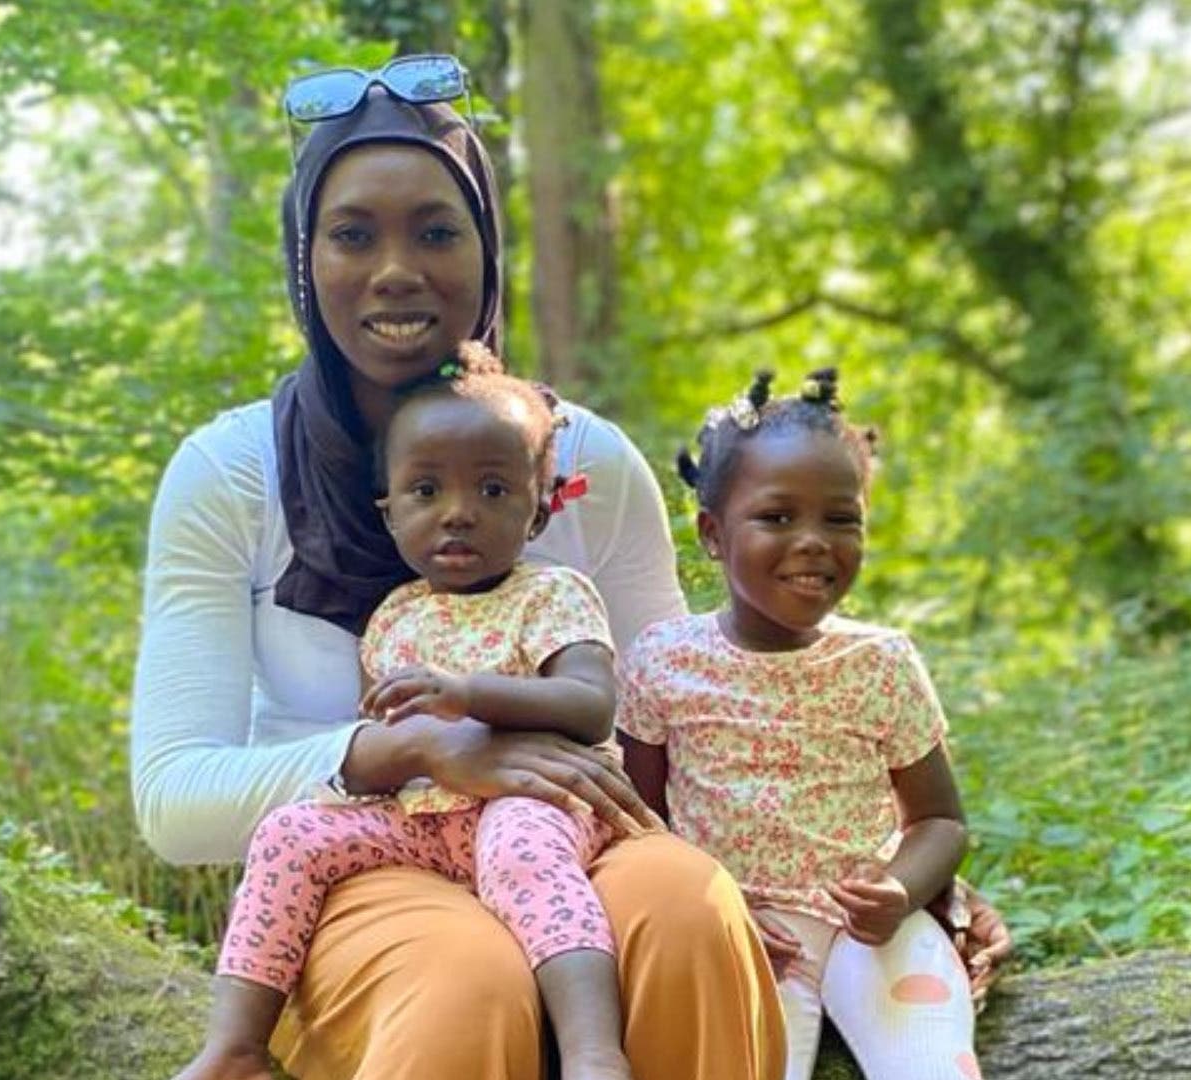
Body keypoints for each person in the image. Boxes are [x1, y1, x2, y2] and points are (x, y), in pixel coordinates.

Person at [130, 58, 786, 1080]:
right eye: (353, 234)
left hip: (576, 835)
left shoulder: (585, 461)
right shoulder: (231, 473)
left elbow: (683, 728)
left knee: (689, 909)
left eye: (437, 230)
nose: (397, 268)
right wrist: (420, 750)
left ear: (488, 250)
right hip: (362, 867)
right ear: (306, 258)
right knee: (464, 979)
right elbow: (175, 802)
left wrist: (878, 891)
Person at [174, 343, 638, 1080]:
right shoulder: (394, 617)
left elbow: (590, 704)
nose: (457, 514)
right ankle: (234, 1045)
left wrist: (467, 694)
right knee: (291, 831)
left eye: (492, 491)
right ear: (389, 513)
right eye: (426, 492)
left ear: (539, 509)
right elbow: (391, 742)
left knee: (522, 849)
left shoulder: (554, 595)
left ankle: (591, 1053)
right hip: (423, 823)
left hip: (533, 804)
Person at [618, 369, 982, 1080]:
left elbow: (941, 821)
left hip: (872, 932)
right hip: (741, 936)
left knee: (933, 1066)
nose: (815, 541)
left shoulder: (881, 662)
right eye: (779, 517)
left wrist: (900, 893)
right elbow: (640, 820)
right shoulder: (663, 661)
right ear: (713, 535)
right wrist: (709, 914)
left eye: (841, 519)